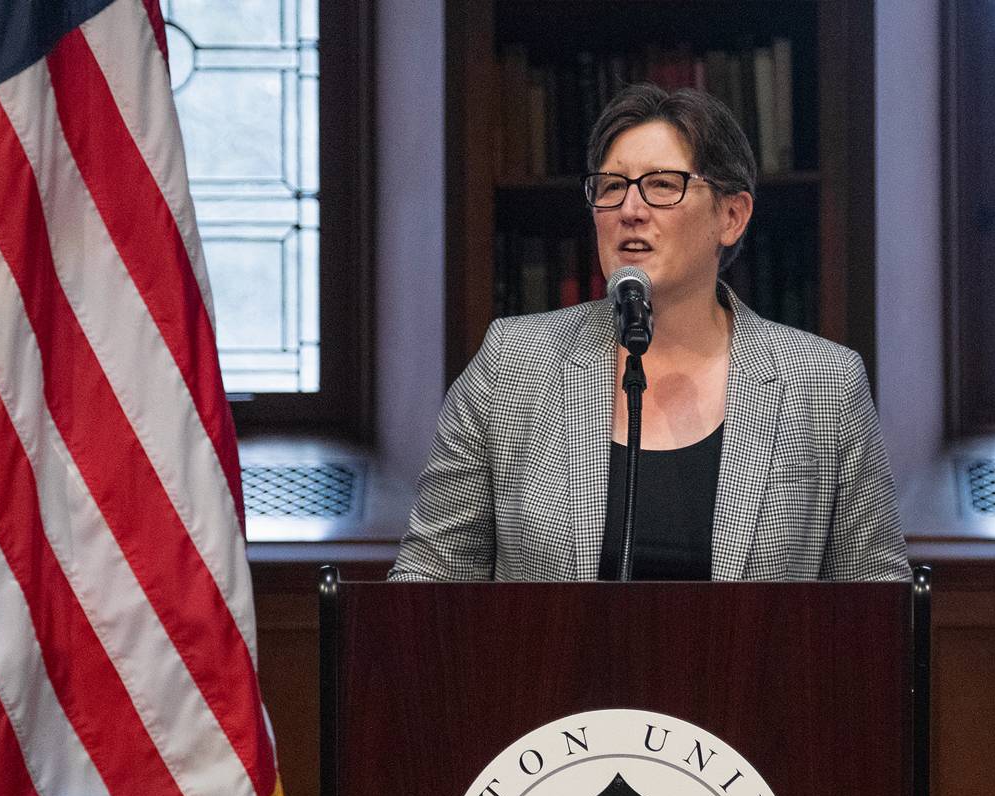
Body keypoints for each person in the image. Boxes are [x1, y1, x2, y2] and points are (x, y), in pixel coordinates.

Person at [389, 83, 908, 581]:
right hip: (550, 675)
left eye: (662, 185)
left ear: (732, 216)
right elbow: (428, 581)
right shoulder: (512, 365)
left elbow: (880, 606)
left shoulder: (824, 385)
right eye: (612, 187)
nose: (630, 211)